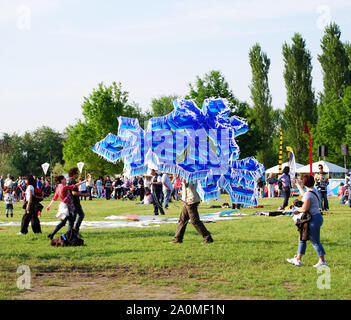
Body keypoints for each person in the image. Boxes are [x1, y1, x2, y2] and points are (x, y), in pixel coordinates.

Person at [286, 175, 327, 267]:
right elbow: (305, 193)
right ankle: (297, 259)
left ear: (304, 183)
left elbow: (304, 209)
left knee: (315, 241)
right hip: (316, 217)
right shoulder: (313, 190)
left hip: (312, 219)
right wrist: (298, 185)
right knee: (302, 238)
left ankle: (322, 261)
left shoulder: (308, 194)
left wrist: (296, 208)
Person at [172, 179, 213, 244]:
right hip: (187, 200)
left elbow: (190, 185)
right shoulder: (186, 176)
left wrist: (185, 182)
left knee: (195, 221)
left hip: (191, 200)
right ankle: (178, 239)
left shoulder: (191, 177)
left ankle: (208, 237)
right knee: (182, 220)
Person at [46, 175, 85, 240]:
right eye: (64, 179)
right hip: (66, 206)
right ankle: (54, 234)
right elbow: (73, 186)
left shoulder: (58, 187)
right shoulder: (63, 187)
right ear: (61, 181)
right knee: (65, 222)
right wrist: (83, 181)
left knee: (69, 221)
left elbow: (54, 198)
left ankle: (69, 235)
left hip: (62, 205)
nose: (65, 180)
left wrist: (49, 206)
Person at [67, 168, 90, 236]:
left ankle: (73, 232)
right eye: (77, 173)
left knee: (77, 216)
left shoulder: (71, 180)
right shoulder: (72, 181)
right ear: (74, 174)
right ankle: (73, 232)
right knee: (75, 217)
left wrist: (84, 181)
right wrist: (84, 194)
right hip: (74, 202)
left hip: (72, 202)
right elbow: (74, 193)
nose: (78, 174)